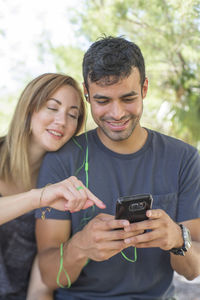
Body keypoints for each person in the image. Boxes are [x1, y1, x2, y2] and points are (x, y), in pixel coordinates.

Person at [35, 37, 200, 300]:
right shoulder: (61, 161)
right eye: (102, 101)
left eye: (128, 98)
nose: (117, 113)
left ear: (144, 88)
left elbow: (192, 271)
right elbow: (49, 276)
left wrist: (177, 240)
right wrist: (80, 247)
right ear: (87, 94)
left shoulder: (185, 158)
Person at [0, 72, 105, 300]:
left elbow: (44, 266)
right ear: (29, 109)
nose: (62, 121)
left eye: (73, 115)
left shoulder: (64, 179)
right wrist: (39, 197)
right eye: (52, 107)